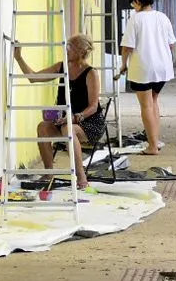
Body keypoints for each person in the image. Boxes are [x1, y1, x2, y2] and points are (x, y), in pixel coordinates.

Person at [13, 33, 106, 188]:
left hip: (88, 122)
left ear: (81, 52)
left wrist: (75, 117)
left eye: (70, 47)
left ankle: (81, 177)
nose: (66, 49)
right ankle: (49, 173)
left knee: (68, 128)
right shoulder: (61, 67)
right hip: (65, 121)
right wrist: (19, 58)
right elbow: (33, 77)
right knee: (43, 127)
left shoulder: (91, 73)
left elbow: (93, 107)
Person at [119, 0, 176, 156]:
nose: (133, 7)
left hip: (143, 67)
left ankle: (152, 146)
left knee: (145, 105)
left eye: (133, 4)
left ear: (138, 2)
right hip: (163, 67)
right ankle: (155, 140)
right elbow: (171, 44)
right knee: (154, 101)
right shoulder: (162, 17)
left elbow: (127, 47)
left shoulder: (135, 19)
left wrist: (123, 65)